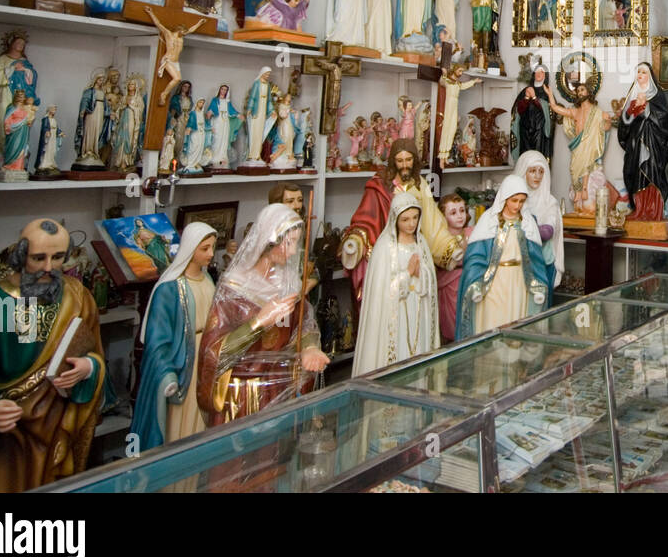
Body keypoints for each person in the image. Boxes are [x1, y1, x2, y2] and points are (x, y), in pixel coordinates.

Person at [0, 219, 105, 491]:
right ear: (19, 255)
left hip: (58, 435)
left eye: (58, 257)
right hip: (5, 443)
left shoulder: (79, 296)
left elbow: (95, 356)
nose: (49, 268)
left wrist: (88, 368)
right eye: (38, 258)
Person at [196, 205, 328, 439]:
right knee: (238, 467)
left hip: (278, 391)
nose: (293, 251)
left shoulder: (289, 283)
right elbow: (213, 354)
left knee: (275, 464)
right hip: (241, 398)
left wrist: (309, 347)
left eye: (296, 242)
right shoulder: (234, 288)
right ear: (269, 242)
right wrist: (258, 322)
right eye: (289, 242)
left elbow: (304, 323)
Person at [339, 139, 462, 311]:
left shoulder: (421, 185)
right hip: (389, 258)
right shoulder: (380, 186)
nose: (405, 165)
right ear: (393, 162)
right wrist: (356, 241)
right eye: (400, 161)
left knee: (414, 306)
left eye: (409, 160)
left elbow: (432, 222)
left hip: (415, 253)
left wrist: (450, 248)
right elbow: (366, 219)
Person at [131, 222, 216, 452]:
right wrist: (167, 374)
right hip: (184, 364)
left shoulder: (208, 280)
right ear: (190, 249)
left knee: (202, 426)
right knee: (181, 429)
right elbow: (157, 340)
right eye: (205, 248)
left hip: (206, 362)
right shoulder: (169, 288)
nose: (211, 254)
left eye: (212, 248)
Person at [455, 175, 554, 339]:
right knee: (493, 322)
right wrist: (476, 282)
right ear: (505, 198)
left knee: (516, 322)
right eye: (514, 200)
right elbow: (475, 256)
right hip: (494, 282)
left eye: (522, 201)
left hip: (519, 282)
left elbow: (536, 259)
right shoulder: (489, 221)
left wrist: (539, 285)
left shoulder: (527, 223)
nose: (518, 205)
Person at [352, 192, 441, 374]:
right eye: (405, 219)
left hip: (418, 309)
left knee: (419, 352)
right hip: (396, 313)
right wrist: (407, 273)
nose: (411, 224)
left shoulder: (421, 242)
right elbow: (383, 291)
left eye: (415, 218)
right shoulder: (385, 247)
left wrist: (421, 274)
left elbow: (430, 279)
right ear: (395, 220)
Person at [545, 67, 615, 212]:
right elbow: (556, 108)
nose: (580, 93)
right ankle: (578, 192)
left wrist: (607, 121)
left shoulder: (598, 113)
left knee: (588, 169)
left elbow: (606, 127)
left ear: (589, 92)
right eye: (578, 91)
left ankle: (584, 191)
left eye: (582, 90)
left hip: (590, 150)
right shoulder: (575, 112)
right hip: (578, 149)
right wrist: (550, 95)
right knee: (574, 171)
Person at [616, 62, 668, 221]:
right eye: (638, 72)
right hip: (635, 143)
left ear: (650, 76)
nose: (640, 74)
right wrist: (630, 114)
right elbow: (624, 123)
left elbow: (665, 120)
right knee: (634, 175)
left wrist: (646, 109)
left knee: (652, 173)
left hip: (653, 144)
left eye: (644, 72)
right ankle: (639, 209)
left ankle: (653, 211)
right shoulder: (632, 95)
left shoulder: (657, 96)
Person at [515, 149, 563, 287]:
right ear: (523, 171)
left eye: (541, 171)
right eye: (532, 171)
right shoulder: (515, 199)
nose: (537, 176)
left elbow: (547, 232)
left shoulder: (549, 202)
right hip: (518, 263)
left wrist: (520, 229)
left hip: (543, 263)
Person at [0, 30, 39, 155]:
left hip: (19, 94)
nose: (20, 45)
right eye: (18, 42)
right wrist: (12, 68)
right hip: (6, 91)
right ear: (11, 43)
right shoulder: (3, 58)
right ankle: (1, 149)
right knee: (3, 116)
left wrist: (25, 70)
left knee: (19, 118)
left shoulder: (24, 61)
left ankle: (16, 149)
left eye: (22, 44)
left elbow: (32, 75)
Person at [436, 193, 472, 342]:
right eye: (453, 213)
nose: (459, 216)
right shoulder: (441, 239)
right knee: (450, 324)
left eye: (462, 211)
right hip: (449, 286)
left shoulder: (471, 233)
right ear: (443, 216)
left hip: (469, 283)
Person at [438, 62, 480, 166]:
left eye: (462, 71)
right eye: (460, 71)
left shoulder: (457, 83)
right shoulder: (448, 80)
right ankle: (441, 157)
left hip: (454, 106)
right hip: (448, 106)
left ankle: (446, 155)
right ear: (455, 70)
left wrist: (474, 81)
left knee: (452, 130)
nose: (461, 73)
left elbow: (464, 86)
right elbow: (442, 81)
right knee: (446, 130)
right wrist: (443, 73)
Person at [511, 61, 552, 164]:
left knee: (537, 157)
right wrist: (526, 98)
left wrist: (534, 97)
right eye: (536, 72)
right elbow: (518, 110)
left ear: (545, 75)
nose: (538, 74)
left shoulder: (546, 92)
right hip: (524, 129)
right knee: (524, 157)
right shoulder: (526, 90)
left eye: (541, 72)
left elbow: (548, 111)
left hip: (539, 130)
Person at [242, 67, 275, 164]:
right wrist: (249, 109)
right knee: (254, 133)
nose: (268, 75)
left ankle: (257, 155)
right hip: (255, 113)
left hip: (263, 113)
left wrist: (272, 111)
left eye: (269, 74)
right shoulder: (257, 84)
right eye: (267, 73)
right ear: (262, 73)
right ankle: (251, 155)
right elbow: (252, 98)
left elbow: (269, 101)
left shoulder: (267, 85)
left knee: (260, 134)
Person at [207, 84, 241, 168]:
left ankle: (222, 157)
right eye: (222, 89)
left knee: (224, 139)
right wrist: (209, 114)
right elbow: (211, 110)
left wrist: (238, 115)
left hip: (225, 122)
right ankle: (214, 158)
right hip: (217, 121)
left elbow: (231, 110)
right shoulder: (215, 100)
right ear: (219, 90)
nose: (223, 91)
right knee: (217, 139)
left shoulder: (227, 101)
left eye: (225, 90)